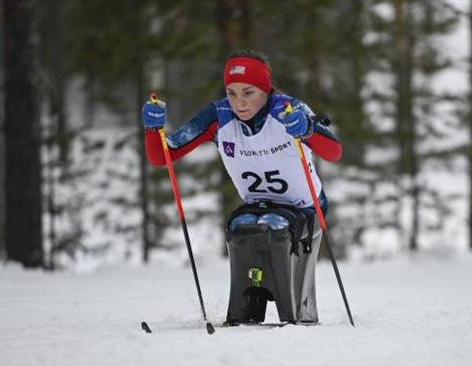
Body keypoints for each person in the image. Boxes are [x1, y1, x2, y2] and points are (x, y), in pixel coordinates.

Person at [142, 49, 342, 325]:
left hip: (304, 207)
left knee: (276, 228)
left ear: (265, 89)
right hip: (257, 205)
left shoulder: (288, 110)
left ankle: (294, 313)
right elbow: (164, 155)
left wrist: (307, 128)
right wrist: (154, 130)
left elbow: (333, 152)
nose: (239, 102)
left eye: (248, 92)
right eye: (231, 92)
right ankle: (244, 311)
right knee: (242, 226)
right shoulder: (219, 115)